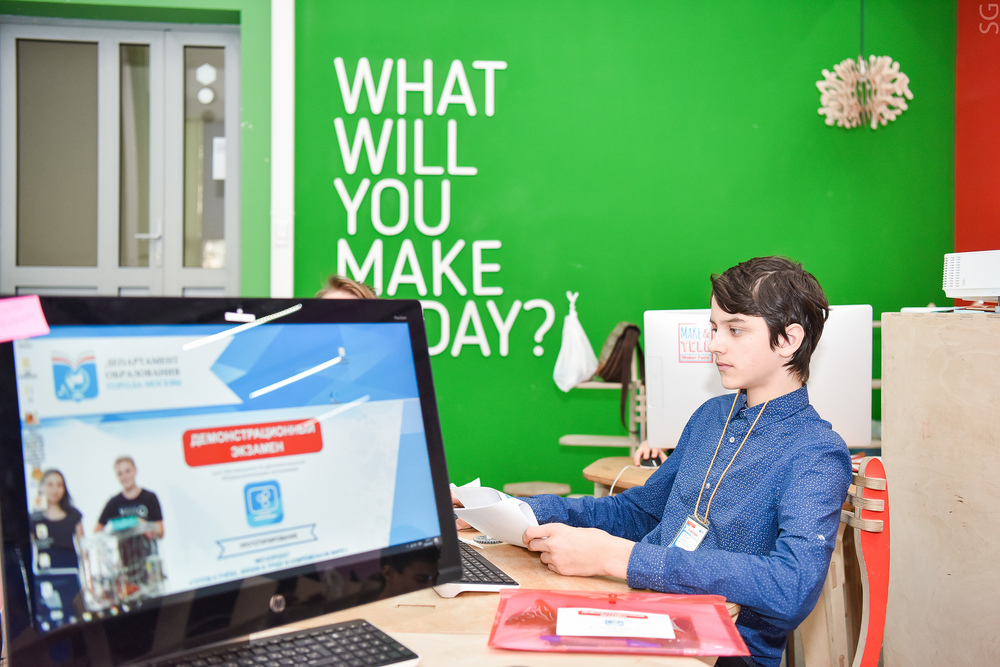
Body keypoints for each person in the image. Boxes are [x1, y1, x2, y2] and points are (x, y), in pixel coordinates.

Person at [505, 257, 851, 667]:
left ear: (789, 340)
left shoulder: (816, 451)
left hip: (725, 651)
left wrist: (619, 558)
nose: (714, 344)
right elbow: (639, 512)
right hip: (647, 614)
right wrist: (512, 511)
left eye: (735, 329)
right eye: (714, 328)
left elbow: (791, 587)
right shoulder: (711, 416)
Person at [30, 469, 85, 624]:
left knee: (75, 618)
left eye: (59, 485)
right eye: (50, 485)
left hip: (71, 577)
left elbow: (83, 547)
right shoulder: (34, 518)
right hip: (45, 578)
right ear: (41, 487)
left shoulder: (74, 515)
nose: (55, 489)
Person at [95, 456, 164, 538]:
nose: (124, 476)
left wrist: (144, 526)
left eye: (127, 471)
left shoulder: (150, 497)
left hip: (146, 545)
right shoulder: (113, 503)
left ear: (135, 470)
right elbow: (97, 532)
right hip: (123, 546)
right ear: (116, 476)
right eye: (120, 473)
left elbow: (160, 532)